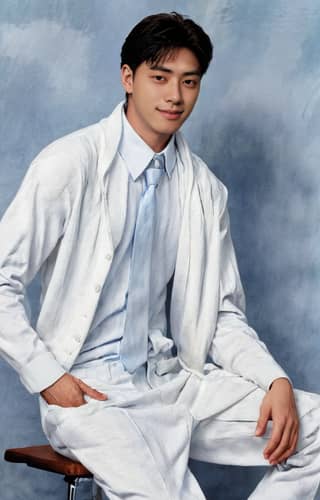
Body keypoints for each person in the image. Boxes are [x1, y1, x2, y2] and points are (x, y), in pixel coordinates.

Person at [0, 11, 319, 500]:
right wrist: (49, 379)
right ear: (127, 77)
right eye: (160, 77)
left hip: (172, 382)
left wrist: (273, 378)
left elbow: (221, 316)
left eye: (189, 82)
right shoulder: (69, 164)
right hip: (90, 394)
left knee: (313, 427)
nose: (175, 95)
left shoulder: (204, 190)